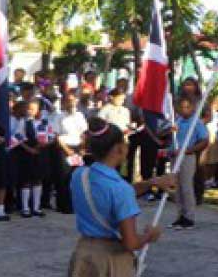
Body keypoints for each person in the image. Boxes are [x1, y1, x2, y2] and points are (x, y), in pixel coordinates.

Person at [67, 117, 176, 277]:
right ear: (119, 148)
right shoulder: (120, 189)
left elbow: (112, 194)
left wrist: (150, 183)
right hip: (111, 259)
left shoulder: (79, 175)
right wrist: (149, 236)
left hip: (84, 253)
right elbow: (131, 242)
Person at [169, 95, 208, 229]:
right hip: (175, 156)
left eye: (187, 107)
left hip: (187, 157)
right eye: (182, 107)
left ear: (193, 108)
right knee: (177, 187)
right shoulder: (178, 121)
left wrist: (189, 150)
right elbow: (170, 137)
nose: (184, 109)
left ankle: (189, 217)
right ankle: (180, 215)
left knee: (186, 187)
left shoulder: (196, 122)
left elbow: (204, 140)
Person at [55, 93, 90, 213]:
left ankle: (76, 203)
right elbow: (57, 135)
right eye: (68, 101)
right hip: (65, 148)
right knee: (64, 177)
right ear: (64, 103)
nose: (71, 104)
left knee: (76, 175)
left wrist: (83, 147)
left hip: (77, 148)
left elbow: (84, 133)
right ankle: (64, 205)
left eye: (73, 101)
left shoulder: (79, 115)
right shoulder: (59, 117)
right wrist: (67, 150)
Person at [11, 99, 44, 218]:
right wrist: (29, 149)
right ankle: (25, 208)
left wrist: (41, 144)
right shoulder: (23, 122)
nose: (30, 111)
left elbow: (46, 135)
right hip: (26, 152)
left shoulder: (41, 122)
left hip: (38, 151)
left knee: (37, 179)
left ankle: (36, 207)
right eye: (29, 109)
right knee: (26, 180)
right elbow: (17, 137)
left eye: (34, 109)